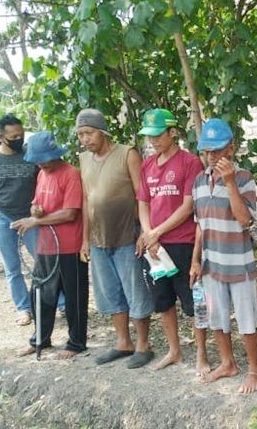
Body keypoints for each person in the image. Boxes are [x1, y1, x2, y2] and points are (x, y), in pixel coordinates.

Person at [76, 109, 155, 369]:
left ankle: (143, 345)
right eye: (81, 135)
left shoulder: (126, 154)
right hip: (99, 239)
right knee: (109, 293)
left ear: (103, 131)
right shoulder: (84, 160)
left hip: (126, 234)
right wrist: (85, 239)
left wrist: (144, 230)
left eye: (88, 133)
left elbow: (141, 194)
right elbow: (87, 200)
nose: (85, 139)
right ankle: (123, 342)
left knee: (135, 292)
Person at [190, 118, 257, 394]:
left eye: (217, 151)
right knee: (217, 316)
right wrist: (196, 260)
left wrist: (230, 182)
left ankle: (254, 370)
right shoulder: (198, 182)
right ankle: (227, 363)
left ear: (230, 149)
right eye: (207, 152)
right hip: (211, 263)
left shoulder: (243, 178)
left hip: (238, 262)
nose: (211, 157)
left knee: (246, 318)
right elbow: (200, 224)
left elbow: (245, 220)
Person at [136, 108, 209, 373]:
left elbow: (188, 206)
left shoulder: (190, 163)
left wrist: (157, 232)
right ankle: (174, 350)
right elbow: (143, 202)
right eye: (149, 136)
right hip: (155, 246)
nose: (153, 141)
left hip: (182, 241)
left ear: (172, 133)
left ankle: (201, 354)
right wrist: (148, 234)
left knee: (193, 301)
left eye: (157, 135)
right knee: (163, 300)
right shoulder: (147, 165)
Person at [12, 131, 88, 359]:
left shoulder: (71, 174)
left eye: (44, 159)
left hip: (69, 246)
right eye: (37, 160)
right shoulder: (42, 174)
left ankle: (76, 343)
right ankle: (40, 340)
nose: (41, 164)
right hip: (45, 246)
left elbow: (70, 213)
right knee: (41, 293)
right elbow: (37, 204)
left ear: (55, 155)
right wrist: (35, 211)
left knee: (74, 297)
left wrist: (35, 221)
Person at [0, 114, 39, 326]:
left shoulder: (30, 155)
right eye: (13, 136)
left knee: (42, 261)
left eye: (21, 135)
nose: (18, 139)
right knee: (12, 267)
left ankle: (57, 302)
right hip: (1, 216)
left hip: (30, 217)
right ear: (1, 137)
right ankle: (23, 308)